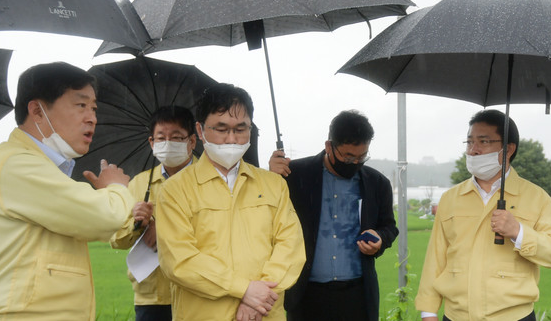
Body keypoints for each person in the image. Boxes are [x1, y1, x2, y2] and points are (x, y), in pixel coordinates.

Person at [0, 62, 135, 320]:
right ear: (37, 111)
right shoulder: (17, 164)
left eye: (93, 108)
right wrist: (116, 187)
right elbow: (105, 217)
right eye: (81, 105)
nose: (92, 118)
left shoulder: (35, 166)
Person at [155, 83, 305, 321]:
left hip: (263, 314)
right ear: (200, 130)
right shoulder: (175, 190)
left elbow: (291, 247)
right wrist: (244, 290)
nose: (232, 139)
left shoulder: (273, 185)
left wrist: (260, 297)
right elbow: (179, 260)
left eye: (240, 129)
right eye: (221, 129)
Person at [415, 109, 551, 321]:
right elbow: (436, 257)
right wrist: (428, 311)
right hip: (456, 316)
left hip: (514, 316)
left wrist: (518, 232)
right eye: (469, 142)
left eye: (484, 141)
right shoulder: (451, 198)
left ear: (508, 149)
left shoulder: (536, 197)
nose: (473, 150)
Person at [269, 110, 399, 321]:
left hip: (357, 296)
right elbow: (266, 215)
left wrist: (380, 238)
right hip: (306, 294)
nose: (355, 163)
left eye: (362, 157)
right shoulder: (294, 174)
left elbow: (389, 227)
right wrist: (270, 178)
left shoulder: (377, 183)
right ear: (329, 146)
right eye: (348, 157)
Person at [110, 105, 198, 321]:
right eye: (161, 138)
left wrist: (164, 230)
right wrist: (138, 224)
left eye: (176, 137)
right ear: (151, 142)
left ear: (192, 141)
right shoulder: (139, 183)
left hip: (198, 292)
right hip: (152, 297)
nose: (168, 143)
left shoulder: (210, 179)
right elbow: (117, 239)